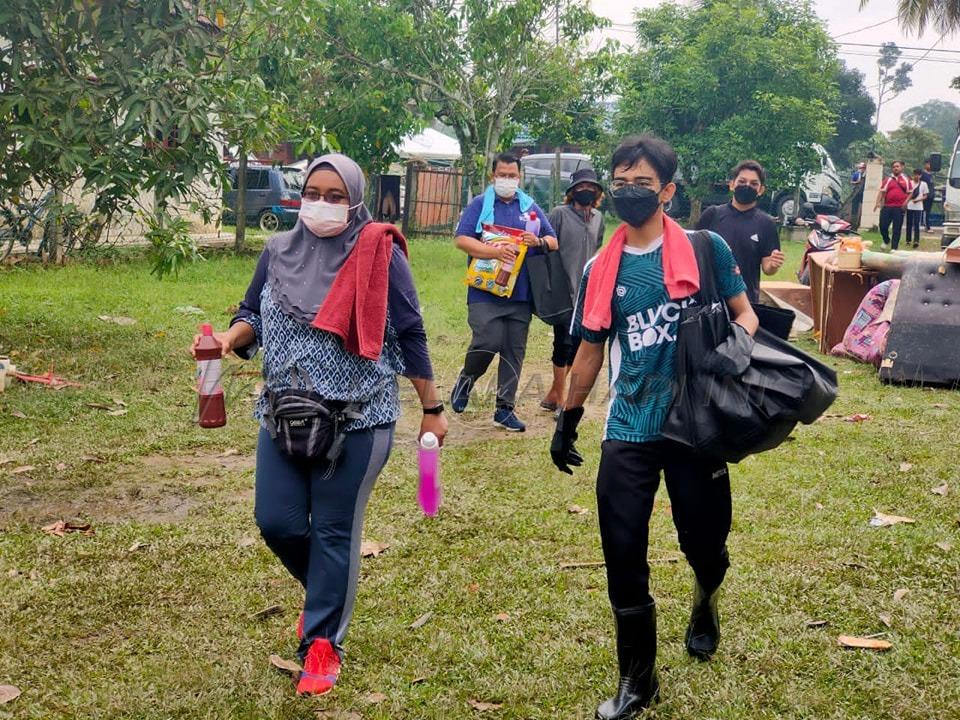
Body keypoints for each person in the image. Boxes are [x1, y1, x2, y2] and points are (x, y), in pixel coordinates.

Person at [191, 154, 447, 697]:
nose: (322, 204)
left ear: (354, 201)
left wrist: (432, 408)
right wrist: (228, 340)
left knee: (334, 532)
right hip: (283, 415)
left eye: (336, 196)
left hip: (357, 420)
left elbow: (410, 331)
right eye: (314, 192)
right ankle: (330, 593)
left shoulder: (379, 252)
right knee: (276, 522)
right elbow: (251, 314)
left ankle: (323, 644)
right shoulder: (277, 250)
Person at [550, 135, 758, 720]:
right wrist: (568, 417)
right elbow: (591, 347)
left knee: (705, 543)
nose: (628, 192)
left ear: (668, 190)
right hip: (630, 425)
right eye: (621, 182)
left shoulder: (706, 246)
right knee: (621, 551)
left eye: (642, 183)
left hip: (696, 425)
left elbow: (745, 314)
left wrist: (734, 350)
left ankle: (705, 596)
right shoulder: (601, 266)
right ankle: (638, 681)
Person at [450, 152, 558, 432]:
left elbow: (552, 240)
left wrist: (538, 241)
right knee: (488, 340)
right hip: (485, 291)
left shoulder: (529, 207)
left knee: (514, 350)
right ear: (493, 176)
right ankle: (467, 378)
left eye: (512, 175)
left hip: (520, 294)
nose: (507, 180)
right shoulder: (480, 205)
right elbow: (462, 240)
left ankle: (504, 408)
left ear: (520, 177)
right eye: (502, 175)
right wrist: (495, 252)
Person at [540, 167, 606, 411]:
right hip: (561, 288)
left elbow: (597, 247)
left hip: (587, 291)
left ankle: (552, 395)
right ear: (572, 191)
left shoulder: (598, 218)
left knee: (578, 344)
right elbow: (545, 243)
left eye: (590, 187)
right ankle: (561, 398)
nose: (585, 190)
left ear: (597, 191)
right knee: (563, 343)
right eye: (580, 187)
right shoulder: (559, 214)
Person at [696, 160, 784, 302]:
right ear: (732, 184)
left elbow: (768, 268)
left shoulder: (766, 223)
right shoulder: (712, 215)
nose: (747, 186)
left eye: (754, 184)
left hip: (746, 302)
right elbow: (694, 253)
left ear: (761, 190)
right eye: (742, 181)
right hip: (710, 299)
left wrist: (773, 265)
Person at [874, 160, 913, 251]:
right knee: (882, 226)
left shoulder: (906, 180)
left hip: (899, 208)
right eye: (894, 167)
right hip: (887, 206)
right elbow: (881, 191)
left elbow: (911, 193)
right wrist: (877, 202)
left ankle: (894, 248)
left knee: (897, 228)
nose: (895, 168)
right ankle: (886, 240)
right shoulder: (888, 179)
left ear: (902, 167)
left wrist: (906, 202)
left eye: (897, 166)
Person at [906, 168, 929, 249]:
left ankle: (916, 241)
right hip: (909, 206)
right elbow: (906, 194)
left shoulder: (924, 184)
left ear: (920, 175)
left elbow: (926, 195)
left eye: (918, 175)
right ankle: (908, 240)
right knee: (909, 224)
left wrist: (918, 200)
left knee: (916, 224)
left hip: (919, 207)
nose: (916, 176)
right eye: (915, 174)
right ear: (913, 174)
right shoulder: (909, 183)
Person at [850, 161, 866, 225]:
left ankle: (861, 221)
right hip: (856, 192)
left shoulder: (866, 175)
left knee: (863, 207)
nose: (861, 169)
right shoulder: (856, 174)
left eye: (862, 168)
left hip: (863, 193)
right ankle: (853, 221)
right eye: (860, 168)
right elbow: (851, 182)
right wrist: (857, 182)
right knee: (854, 207)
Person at [921, 159, 935, 231]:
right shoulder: (923, 174)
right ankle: (927, 226)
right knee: (925, 211)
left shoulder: (931, 175)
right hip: (925, 196)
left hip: (931, 196)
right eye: (929, 164)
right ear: (925, 165)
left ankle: (927, 226)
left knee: (928, 212)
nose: (930, 166)